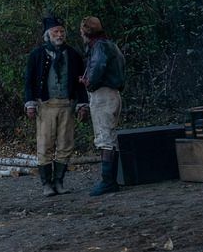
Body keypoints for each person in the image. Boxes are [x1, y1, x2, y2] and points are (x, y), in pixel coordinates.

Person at [23, 16, 88, 195]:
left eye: (61, 32)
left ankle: (59, 182)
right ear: (48, 35)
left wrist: (82, 104)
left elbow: (80, 82)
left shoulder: (73, 54)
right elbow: (29, 81)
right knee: (45, 145)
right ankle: (46, 184)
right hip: (46, 105)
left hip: (67, 104)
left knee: (66, 144)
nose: (59, 35)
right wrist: (29, 104)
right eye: (55, 32)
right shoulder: (37, 54)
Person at [80, 17, 126, 196]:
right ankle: (110, 180)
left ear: (86, 32)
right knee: (110, 136)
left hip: (103, 95)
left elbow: (98, 66)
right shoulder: (110, 45)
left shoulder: (99, 46)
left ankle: (108, 181)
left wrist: (89, 83)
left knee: (105, 137)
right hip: (112, 93)